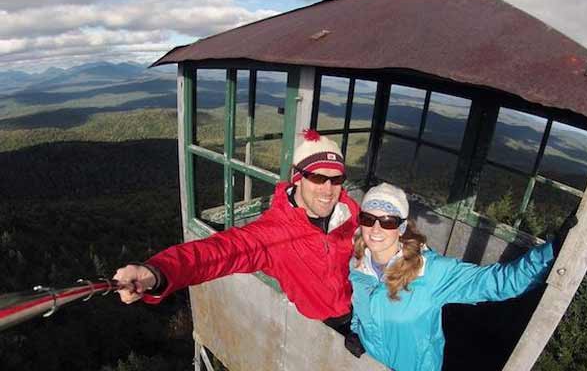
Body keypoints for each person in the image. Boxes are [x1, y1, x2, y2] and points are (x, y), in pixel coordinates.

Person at [112, 129, 360, 335]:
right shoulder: (274, 233)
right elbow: (217, 253)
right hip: (325, 328)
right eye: (317, 178)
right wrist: (158, 272)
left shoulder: (349, 210)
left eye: (336, 179)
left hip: (365, 312)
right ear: (298, 178)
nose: (328, 190)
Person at [347, 183, 555, 371]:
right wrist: (357, 331)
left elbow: (497, 282)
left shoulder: (430, 271)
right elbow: (361, 309)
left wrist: (550, 253)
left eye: (387, 221)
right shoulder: (358, 265)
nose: (375, 229)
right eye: (368, 219)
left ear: (401, 228)